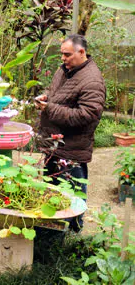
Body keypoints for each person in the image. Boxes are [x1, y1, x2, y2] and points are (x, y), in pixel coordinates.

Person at [35, 34, 105, 232]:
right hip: (54, 146)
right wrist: (47, 97)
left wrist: (49, 108)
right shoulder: (66, 69)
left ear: (81, 52)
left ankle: (74, 232)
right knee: (52, 190)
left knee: (73, 194)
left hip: (72, 150)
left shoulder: (92, 80)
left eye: (67, 54)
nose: (63, 58)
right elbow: (60, 95)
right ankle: (52, 230)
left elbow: (87, 115)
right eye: (62, 54)